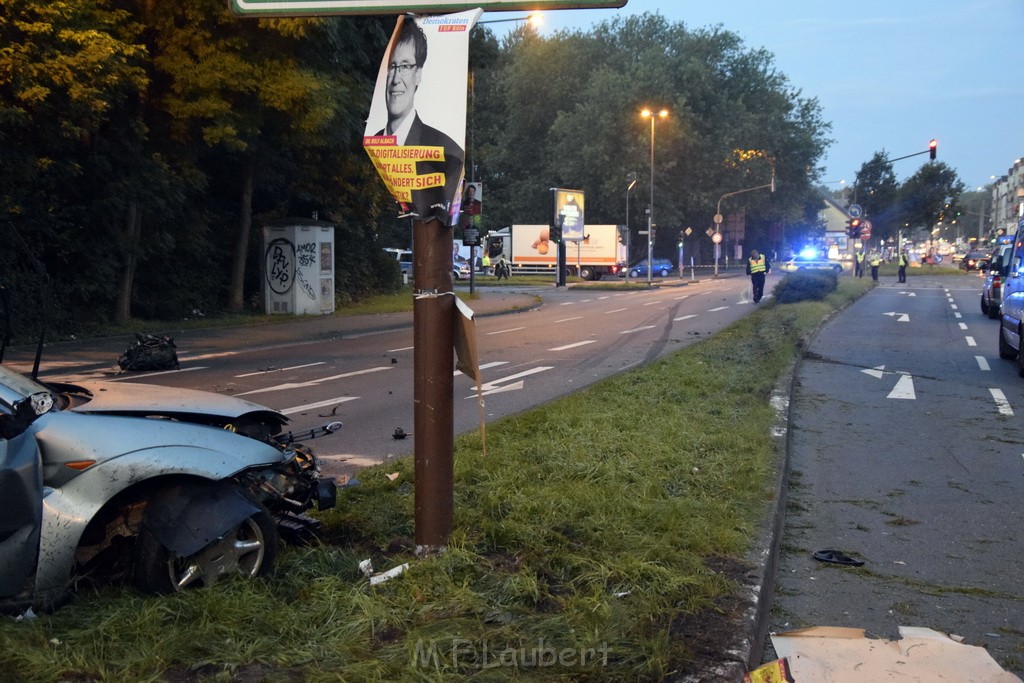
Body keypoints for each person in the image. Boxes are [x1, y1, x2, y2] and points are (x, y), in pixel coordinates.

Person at [379, 19, 465, 225]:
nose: (396, 78)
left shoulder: (448, 150)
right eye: (392, 67)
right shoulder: (374, 144)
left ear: (418, 74)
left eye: (406, 66)